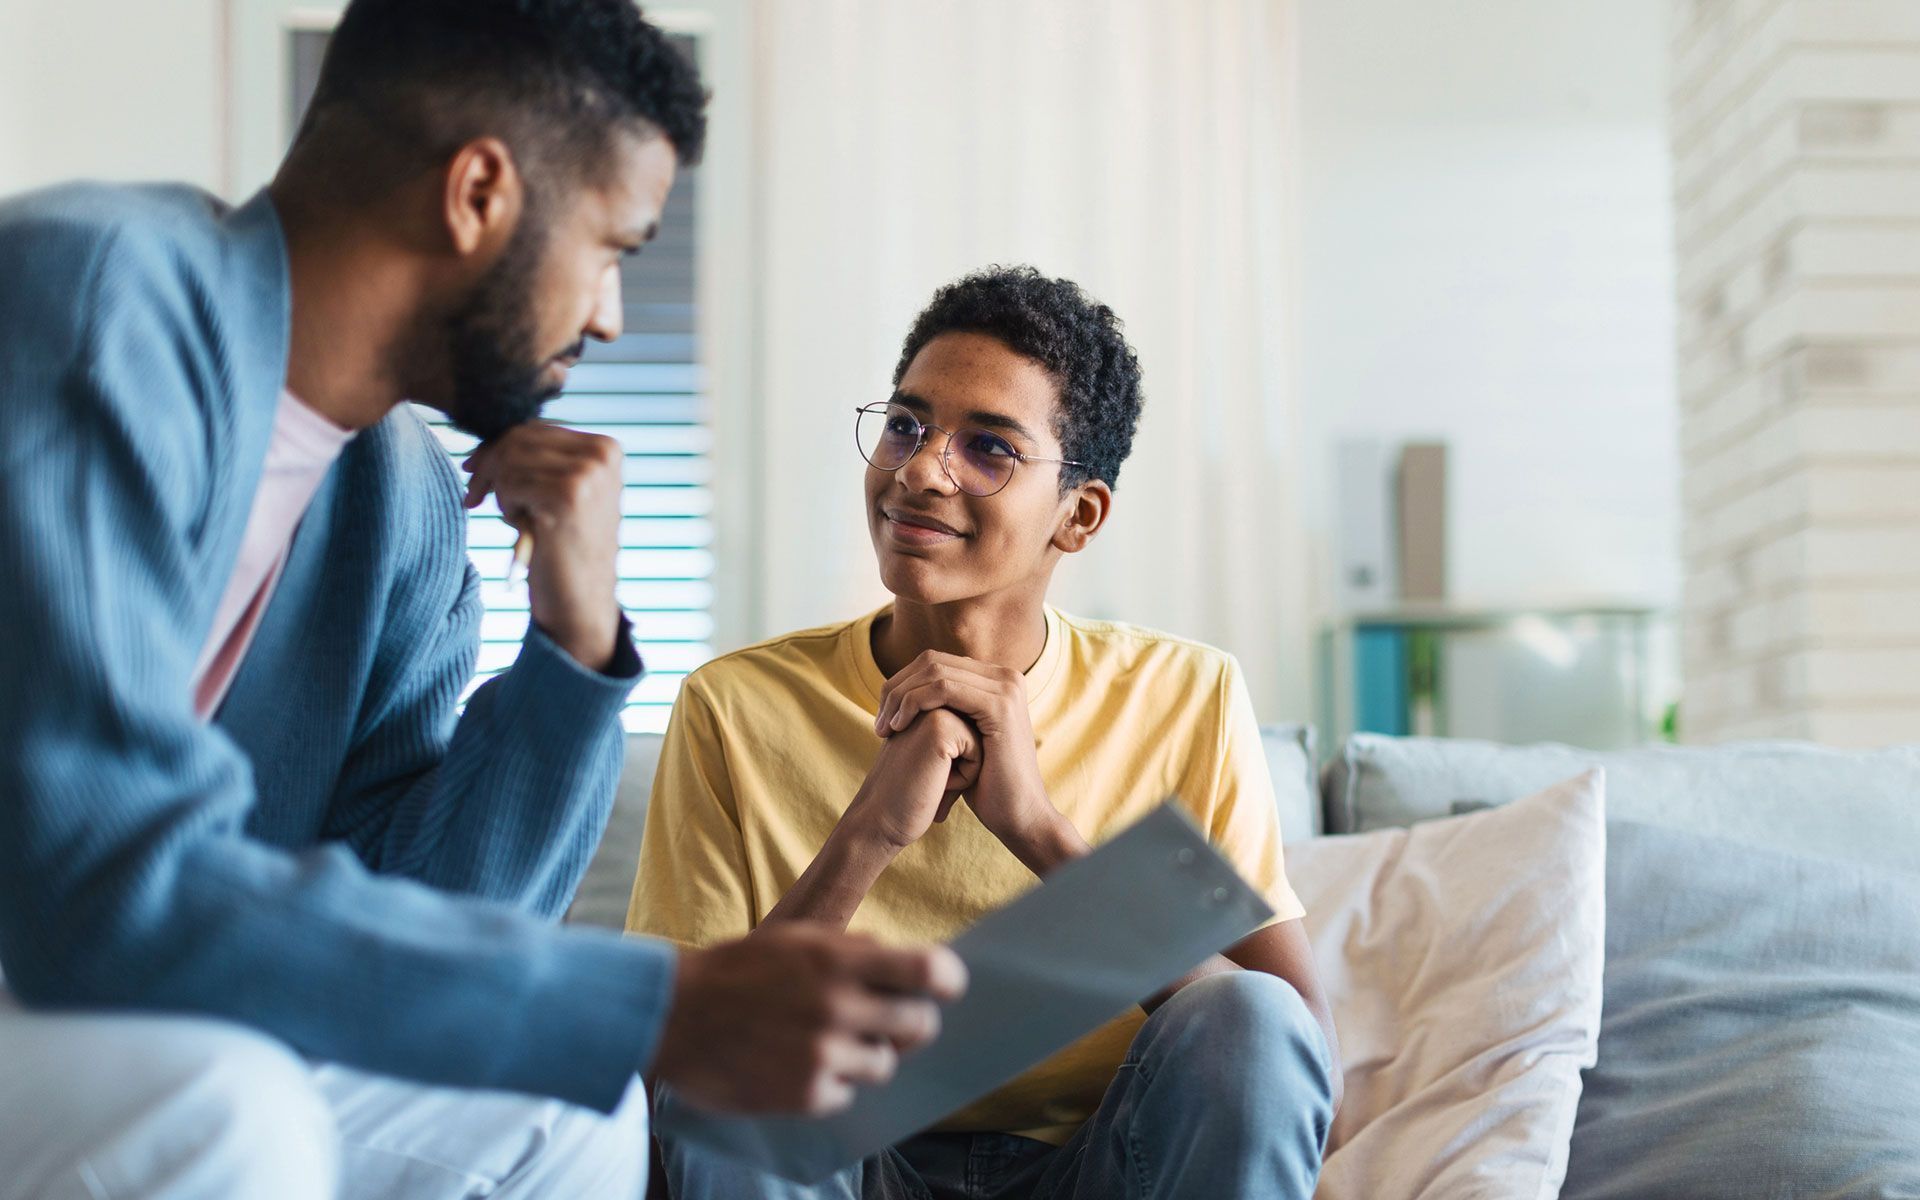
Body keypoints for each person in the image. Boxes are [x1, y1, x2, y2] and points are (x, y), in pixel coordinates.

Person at [0, 2, 963, 1197]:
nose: (611, 314)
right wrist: (658, 1003)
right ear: (477, 195)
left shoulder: (399, 494)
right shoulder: (104, 302)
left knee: (567, 1112)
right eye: (613, 247)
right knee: (217, 1105)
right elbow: (95, 878)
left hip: (128, 989)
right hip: (54, 960)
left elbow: (432, 921)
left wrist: (573, 646)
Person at [630, 266, 1344, 1199]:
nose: (922, 470)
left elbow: (1296, 1064)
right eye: (906, 425)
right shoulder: (734, 705)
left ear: (1077, 516)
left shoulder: (1186, 695)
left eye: (990, 448)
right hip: (841, 1170)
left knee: (1248, 1012)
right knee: (736, 1063)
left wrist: (1039, 828)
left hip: (1104, 1168)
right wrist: (868, 835)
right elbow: (681, 1070)